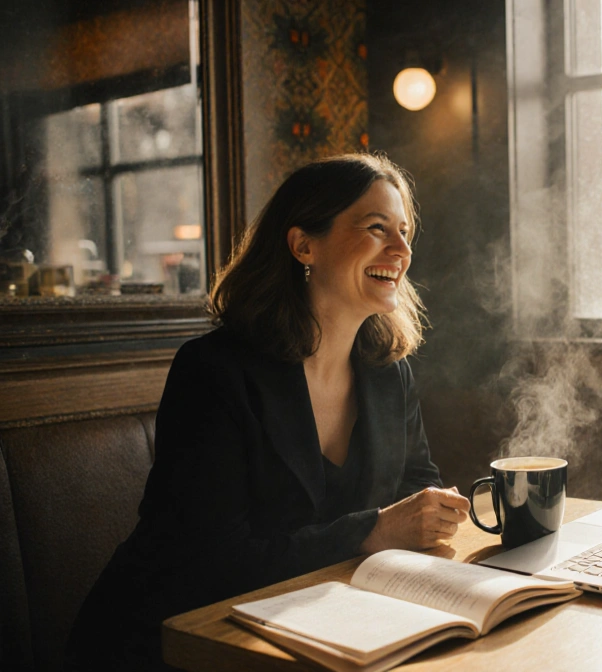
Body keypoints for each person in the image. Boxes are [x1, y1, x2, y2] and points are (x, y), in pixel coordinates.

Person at [65, 154, 470, 670]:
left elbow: (415, 491)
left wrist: (439, 514)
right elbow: (214, 561)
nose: (403, 250)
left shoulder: (388, 372)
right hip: (173, 640)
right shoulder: (214, 371)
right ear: (304, 245)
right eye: (377, 229)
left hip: (314, 626)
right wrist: (373, 530)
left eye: (405, 232)